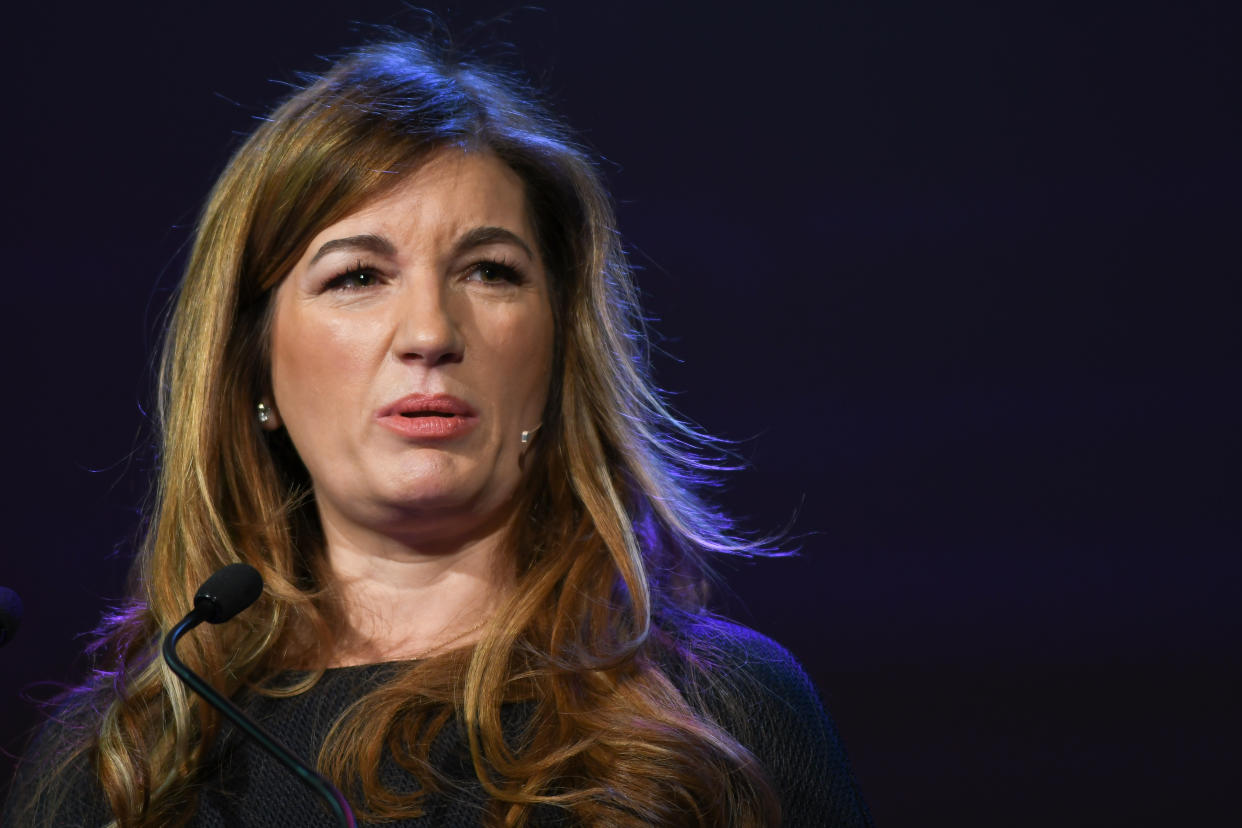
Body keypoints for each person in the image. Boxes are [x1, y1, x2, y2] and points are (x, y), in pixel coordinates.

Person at [1, 36, 872, 827]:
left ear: (556, 356)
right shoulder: (120, 764)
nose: (429, 333)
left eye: (490, 272)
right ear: (252, 367)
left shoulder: (721, 715)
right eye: (357, 277)